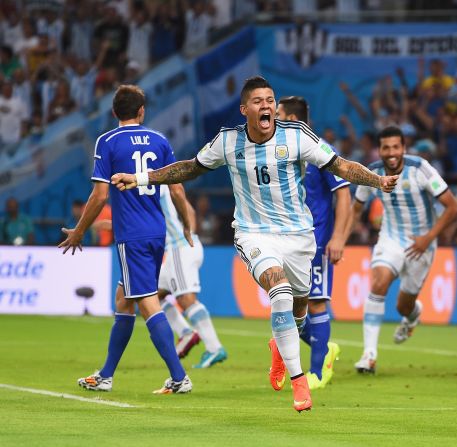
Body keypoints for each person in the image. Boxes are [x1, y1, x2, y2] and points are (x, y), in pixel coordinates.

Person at [110, 76, 398, 412]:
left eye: (270, 100)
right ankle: (299, 381)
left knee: (299, 308)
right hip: (253, 233)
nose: (266, 106)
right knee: (279, 291)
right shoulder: (228, 141)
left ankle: (279, 346)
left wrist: (377, 180)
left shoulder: (297, 136)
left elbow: (342, 165)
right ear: (245, 108)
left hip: (299, 236)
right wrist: (142, 177)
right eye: (258, 101)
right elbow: (190, 168)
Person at [59, 84, 193, 394]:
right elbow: (176, 188)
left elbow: (99, 194)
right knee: (124, 299)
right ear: (142, 110)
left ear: (114, 112)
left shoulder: (107, 141)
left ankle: (179, 376)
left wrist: (79, 230)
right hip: (156, 231)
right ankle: (105, 375)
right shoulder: (160, 140)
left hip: (131, 234)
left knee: (147, 302)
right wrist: (186, 225)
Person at [347, 125, 457, 374]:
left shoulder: (420, 169)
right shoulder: (372, 173)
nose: (391, 152)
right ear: (379, 150)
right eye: (386, 147)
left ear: (403, 148)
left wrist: (428, 237)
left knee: (403, 306)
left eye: (395, 147)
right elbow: (356, 207)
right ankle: (369, 355)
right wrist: (342, 237)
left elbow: (452, 207)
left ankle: (412, 315)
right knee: (378, 283)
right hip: (391, 236)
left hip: (423, 243)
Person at [276, 96, 350, 390]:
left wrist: (339, 236)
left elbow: (343, 194)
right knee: (287, 305)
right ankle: (325, 346)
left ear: (292, 120)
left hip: (316, 240)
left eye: (279, 114)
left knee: (316, 303)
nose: (273, 117)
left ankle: (317, 372)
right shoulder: (282, 151)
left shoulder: (319, 150)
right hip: (286, 241)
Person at [156, 184, 228, 369]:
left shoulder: (151, 185)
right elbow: (190, 211)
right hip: (183, 246)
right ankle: (186, 332)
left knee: (186, 299)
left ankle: (214, 348)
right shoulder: (164, 182)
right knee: (152, 296)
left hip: (179, 248)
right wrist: (191, 233)